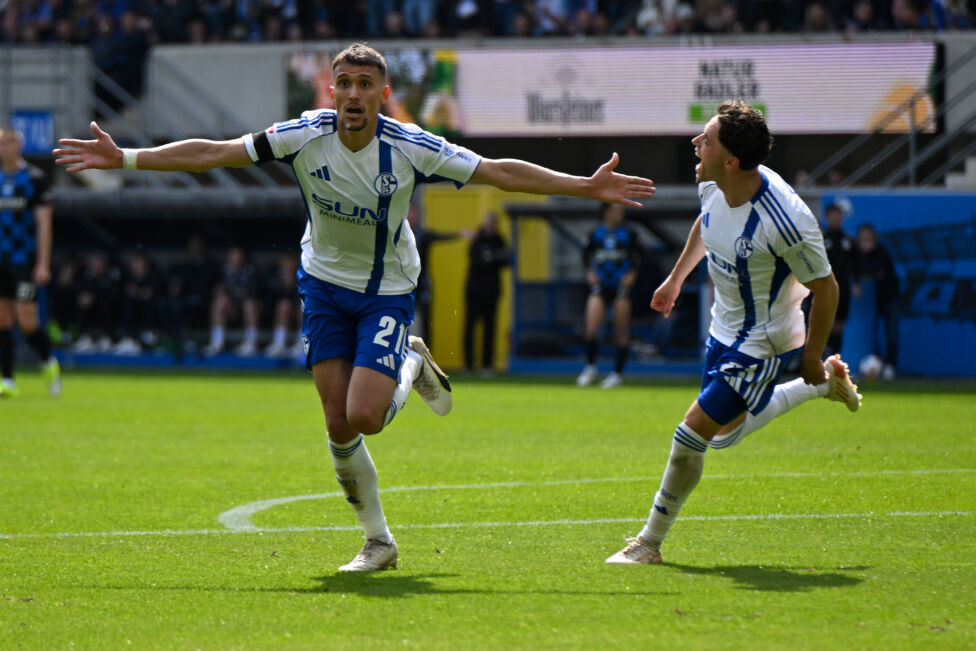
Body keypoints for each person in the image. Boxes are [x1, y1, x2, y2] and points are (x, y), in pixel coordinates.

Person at [54, 43, 656, 572]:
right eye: (344, 83)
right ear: (332, 91)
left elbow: (497, 171)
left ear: (383, 96)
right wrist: (127, 158)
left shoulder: (411, 146)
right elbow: (215, 153)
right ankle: (378, 542)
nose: (352, 94)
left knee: (365, 415)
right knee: (336, 422)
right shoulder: (302, 135)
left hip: (386, 288)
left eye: (365, 85)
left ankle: (411, 364)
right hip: (321, 283)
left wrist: (584, 186)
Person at [605, 101, 861, 566]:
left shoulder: (786, 219)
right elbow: (706, 225)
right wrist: (676, 278)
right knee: (723, 436)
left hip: (763, 341)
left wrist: (810, 352)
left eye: (706, 139)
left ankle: (649, 543)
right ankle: (823, 385)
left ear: (732, 160)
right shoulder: (713, 182)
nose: (695, 143)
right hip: (723, 327)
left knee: (690, 435)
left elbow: (827, 288)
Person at [0, 127, 62, 397]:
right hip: (0, 260)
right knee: (2, 320)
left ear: (20, 146)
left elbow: (44, 225)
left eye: (11, 142)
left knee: (27, 321)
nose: (6, 147)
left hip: (23, 260)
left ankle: (49, 361)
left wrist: (43, 263)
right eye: (2, 143)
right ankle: (8, 380)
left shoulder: (35, 179)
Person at [576, 202, 642, 389]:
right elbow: (585, 257)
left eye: (620, 210)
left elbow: (639, 259)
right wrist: (589, 272)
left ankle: (617, 374)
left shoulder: (629, 234)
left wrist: (632, 275)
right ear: (606, 212)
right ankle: (590, 367)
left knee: (621, 332)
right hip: (601, 285)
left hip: (621, 286)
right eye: (615, 210)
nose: (619, 214)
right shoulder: (595, 233)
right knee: (591, 327)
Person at [408, 203, 470, 349]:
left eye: (414, 213)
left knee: (425, 321)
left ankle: (426, 358)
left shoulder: (423, 235)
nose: (412, 216)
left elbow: (440, 236)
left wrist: (459, 234)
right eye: (409, 213)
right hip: (404, 286)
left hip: (422, 285)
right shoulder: (399, 235)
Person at [463, 211, 509, 375]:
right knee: (471, 326)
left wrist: (491, 258)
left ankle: (486, 365)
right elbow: (477, 260)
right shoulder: (477, 238)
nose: (491, 226)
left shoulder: (499, 239)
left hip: (492, 291)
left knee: (490, 328)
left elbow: (506, 260)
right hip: (474, 290)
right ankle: (468, 365)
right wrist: (493, 258)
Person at [856, 223, 900, 380]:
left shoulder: (881, 252)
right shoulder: (858, 254)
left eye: (868, 237)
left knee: (891, 333)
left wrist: (866, 255)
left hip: (890, 298)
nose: (865, 241)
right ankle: (876, 363)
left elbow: (877, 272)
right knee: (872, 335)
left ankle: (890, 366)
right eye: (863, 238)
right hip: (872, 303)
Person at [205, 245, 261, 356]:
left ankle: (251, 343)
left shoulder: (252, 271)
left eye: (238, 255)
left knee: (249, 304)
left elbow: (254, 293)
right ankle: (217, 342)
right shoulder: (225, 271)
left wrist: (237, 300)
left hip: (249, 307)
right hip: (231, 307)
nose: (235, 258)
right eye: (233, 255)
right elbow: (221, 290)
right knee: (219, 302)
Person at [821, 203, 859, 358]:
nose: (837, 219)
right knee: (825, 322)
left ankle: (835, 357)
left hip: (843, 289)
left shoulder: (848, 241)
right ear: (827, 218)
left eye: (839, 216)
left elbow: (855, 264)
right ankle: (823, 356)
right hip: (825, 288)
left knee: (839, 324)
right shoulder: (821, 240)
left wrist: (856, 283)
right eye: (833, 216)